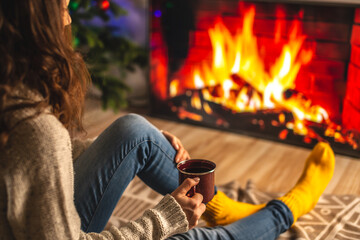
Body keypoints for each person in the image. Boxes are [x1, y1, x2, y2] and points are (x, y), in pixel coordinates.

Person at [0, 0, 336, 239]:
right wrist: (163, 219)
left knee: (134, 131)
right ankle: (286, 210)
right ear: (36, 23)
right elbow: (43, 149)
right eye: (62, 8)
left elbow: (39, 161)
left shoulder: (13, 98)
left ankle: (217, 206)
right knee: (191, 237)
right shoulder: (36, 129)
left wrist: (109, 149)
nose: (69, 18)